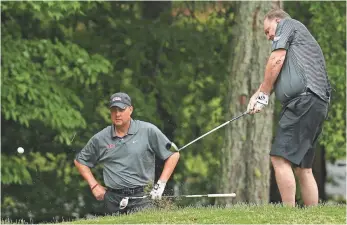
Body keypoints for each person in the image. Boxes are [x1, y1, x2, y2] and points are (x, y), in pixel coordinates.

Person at [247, 9, 331, 207]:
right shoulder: (298, 44)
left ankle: (287, 216)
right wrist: (256, 96)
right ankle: (313, 217)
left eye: (268, 31)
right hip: (316, 103)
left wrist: (263, 95)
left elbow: (276, 60)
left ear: (277, 20)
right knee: (304, 167)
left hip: (302, 102)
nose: (268, 37)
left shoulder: (288, 25)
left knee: (279, 158)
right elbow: (274, 74)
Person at [74, 92, 180, 214]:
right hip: (113, 199)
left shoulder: (147, 131)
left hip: (143, 197)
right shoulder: (100, 138)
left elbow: (173, 154)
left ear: (130, 110)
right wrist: (94, 186)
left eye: (121, 109)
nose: (117, 114)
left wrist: (161, 184)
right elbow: (80, 161)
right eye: (114, 110)